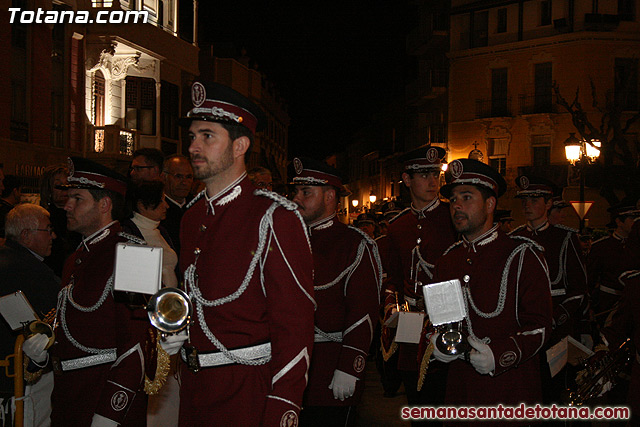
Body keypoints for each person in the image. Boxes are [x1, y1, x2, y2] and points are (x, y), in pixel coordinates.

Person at [177, 81, 315, 426]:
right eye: (192, 136)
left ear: (240, 146)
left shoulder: (274, 216)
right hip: (194, 389)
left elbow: (295, 325)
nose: (194, 146)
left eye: (207, 136)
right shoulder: (192, 216)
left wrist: (284, 404)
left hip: (248, 392)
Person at [50, 157, 169, 427]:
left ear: (104, 205)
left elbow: (140, 343)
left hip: (105, 405)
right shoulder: (77, 256)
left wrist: (110, 412)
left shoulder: (134, 254)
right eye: (68, 197)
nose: (67, 205)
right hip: (69, 400)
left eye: (77, 199)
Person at [426, 158, 552, 409]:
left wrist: (501, 354)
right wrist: (434, 340)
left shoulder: (522, 255)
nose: (457, 206)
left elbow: (541, 326)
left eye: (467, 197)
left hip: (511, 389)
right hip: (460, 392)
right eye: (453, 199)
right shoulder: (447, 260)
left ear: (490, 203)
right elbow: (438, 321)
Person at [290, 157, 381, 426]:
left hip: (330, 366)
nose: (296, 198)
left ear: (330, 196)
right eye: (295, 191)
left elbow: (363, 310)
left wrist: (350, 364)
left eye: (306, 192)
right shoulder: (286, 239)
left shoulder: (353, 243)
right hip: (289, 369)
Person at [381, 146, 457, 417]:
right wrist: (392, 308)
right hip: (411, 324)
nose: (433, 181)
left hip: (448, 322)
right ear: (406, 179)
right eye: (424, 175)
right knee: (416, 399)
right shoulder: (397, 227)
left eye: (436, 174)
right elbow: (394, 278)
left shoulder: (454, 219)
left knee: (446, 401)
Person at [509, 174, 588, 403]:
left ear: (549, 203)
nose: (527, 206)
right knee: (529, 392)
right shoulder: (514, 238)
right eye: (525, 201)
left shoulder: (565, 237)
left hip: (558, 332)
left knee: (559, 392)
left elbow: (579, 288)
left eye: (534, 200)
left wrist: (557, 318)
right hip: (524, 329)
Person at [120, 180, 179, 426]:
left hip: (172, 316)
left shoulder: (160, 230)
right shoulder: (127, 231)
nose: (166, 205)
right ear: (143, 204)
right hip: (149, 320)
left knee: (171, 385)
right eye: (161, 199)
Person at [0, 204, 59, 427]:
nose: (53, 235)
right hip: (23, 380)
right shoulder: (30, 271)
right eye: (47, 229)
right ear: (26, 235)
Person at [587, 201, 639, 327]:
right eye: (631, 218)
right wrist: (589, 306)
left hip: (634, 303)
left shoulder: (636, 245)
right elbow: (590, 278)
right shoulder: (601, 247)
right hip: (608, 303)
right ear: (619, 222)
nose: (635, 222)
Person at [39, 164, 81, 277]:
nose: (64, 189)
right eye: (58, 185)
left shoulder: (79, 215)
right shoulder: (43, 217)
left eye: (67, 184)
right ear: (48, 190)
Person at [161, 155, 194, 256]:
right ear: (163, 177)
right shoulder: (156, 209)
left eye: (188, 177)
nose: (184, 182)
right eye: (178, 176)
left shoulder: (198, 206)